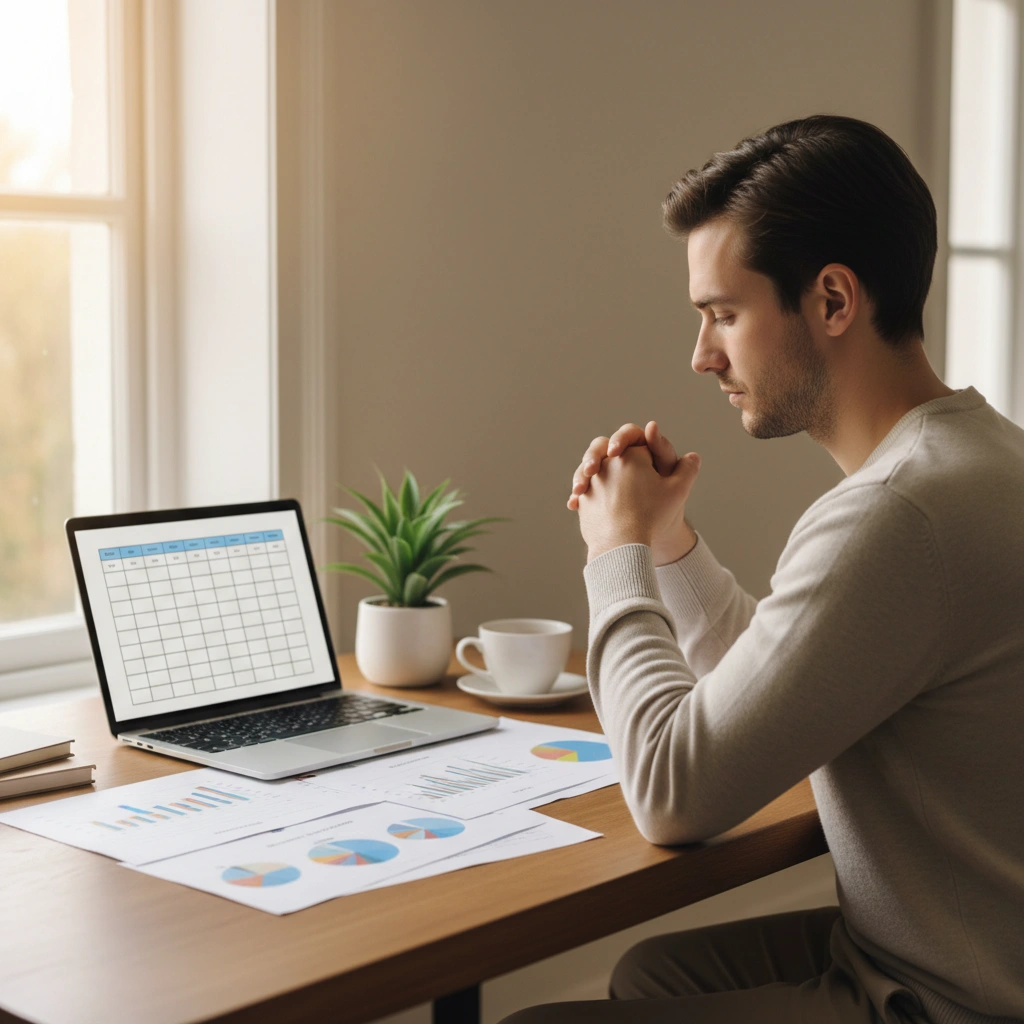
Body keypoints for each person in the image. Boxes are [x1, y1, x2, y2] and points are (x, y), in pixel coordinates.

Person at [501, 115, 1024, 1024]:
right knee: (656, 977)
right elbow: (801, 677)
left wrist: (614, 554)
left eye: (724, 315)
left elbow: (673, 792)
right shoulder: (978, 458)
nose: (703, 355)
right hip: (956, 950)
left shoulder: (896, 513)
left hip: (946, 1000)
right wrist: (667, 544)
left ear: (830, 301)